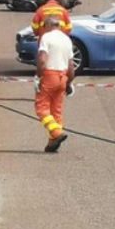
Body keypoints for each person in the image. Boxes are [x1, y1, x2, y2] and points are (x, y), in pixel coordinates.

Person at [35, 17, 75, 153]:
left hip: (49, 75)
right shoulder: (67, 40)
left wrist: (39, 76)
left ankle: (57, 133)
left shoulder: (46, 37)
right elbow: (71, 66)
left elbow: (42, 60)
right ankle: (52, 142)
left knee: (41, 109)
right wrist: (69, 82)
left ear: (46, 25)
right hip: (62, 76)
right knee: (56, 111)